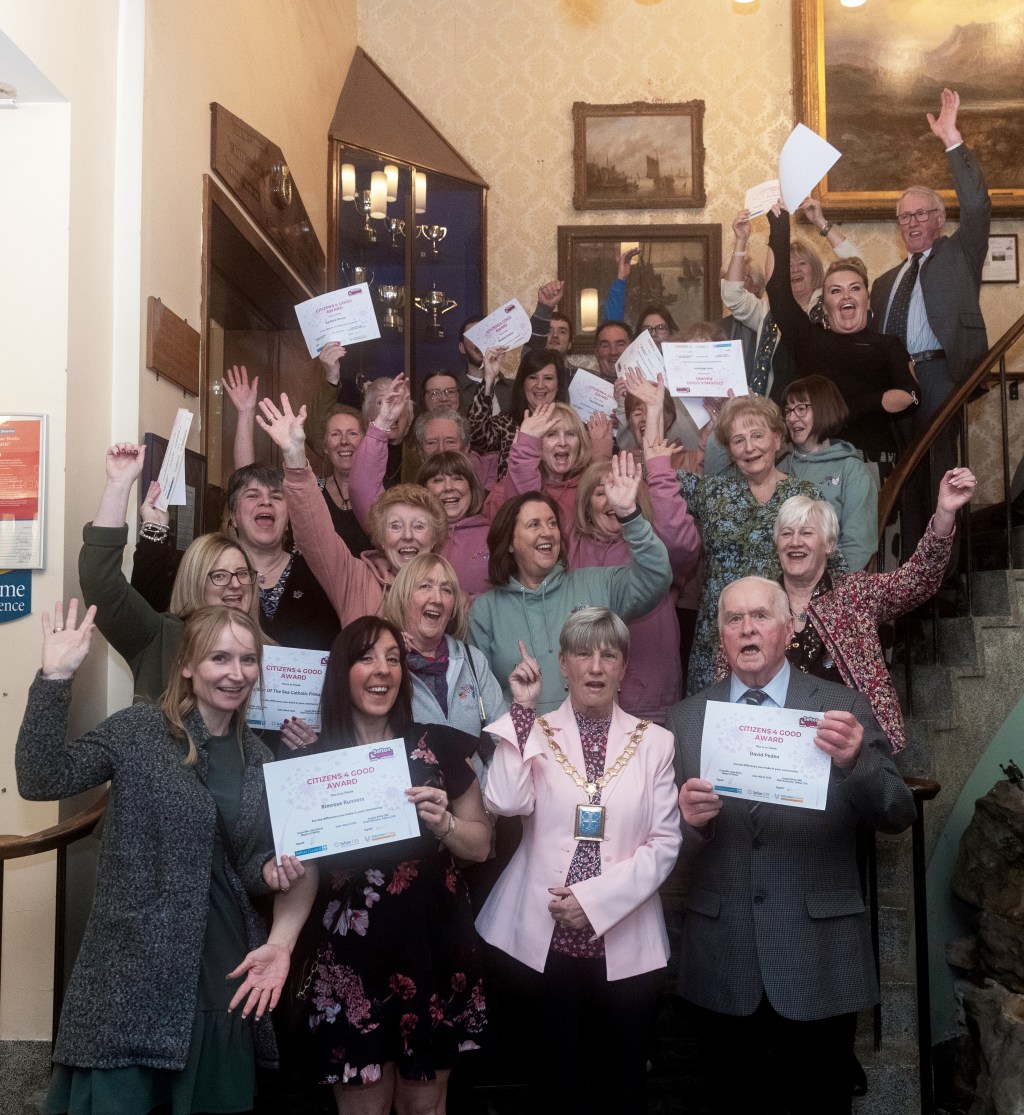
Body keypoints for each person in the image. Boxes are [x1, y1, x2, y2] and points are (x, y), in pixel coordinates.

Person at [17, 601, 315, 1114]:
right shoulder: (140, 730)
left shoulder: (261, 758)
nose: (236, 673)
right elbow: (41, 778)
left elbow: (244, 863)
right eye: (220, 658)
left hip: (222, 966)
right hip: (135, 965)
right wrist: (55, 679)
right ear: (187, 665)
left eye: (247, 660)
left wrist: (268, 872)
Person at [668, 576, 916, 1115]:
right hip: (723, 953)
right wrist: (690, 825)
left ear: (789, 628)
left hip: (819, 953)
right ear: (720, 636)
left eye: (760, 616)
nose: (747, 629)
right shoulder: (686, 718)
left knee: (820, 1104)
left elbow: (898, 813)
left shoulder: (842, 707)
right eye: (734, 619)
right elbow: (663, 845)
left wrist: (856, 762)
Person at [476, 609, 681, 1115]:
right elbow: (504, 801)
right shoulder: (535, 731)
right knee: (555, 1089)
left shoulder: (656, 742)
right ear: (563, 665)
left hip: (626, 941)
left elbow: (664, 844)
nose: (596, 666)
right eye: (583, 654)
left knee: (622, 1090)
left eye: (609, 654)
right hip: (544, 943)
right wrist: (522, 710)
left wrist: (592, 902)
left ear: (623, 667)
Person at [296, 616, 491, 1113]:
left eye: (392, 658)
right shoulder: (313, 762)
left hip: (433, 949)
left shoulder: (439, 745)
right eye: (366, 658)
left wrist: (445, 823)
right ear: (342, 672)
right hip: (349, 960)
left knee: (424, 1107)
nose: (382, 669)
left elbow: (480, 846)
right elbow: (302, 868)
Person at [769, 467, 976, 752]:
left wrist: (944, 513)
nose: (795, 542)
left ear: (829, 545)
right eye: (786, 533)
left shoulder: (855, 593)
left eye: (806, 533)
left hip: (851, 746)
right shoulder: (759, 602)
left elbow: (918, 579)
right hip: (775, 744)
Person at [870, 88, 990, 556]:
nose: (912, 222)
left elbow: (977, 206)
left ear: (940, 218)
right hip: (896, 382)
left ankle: (946, 578)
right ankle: (915, 580)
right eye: (904, 217)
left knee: (940, 475)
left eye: (921, 213)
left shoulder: (959, 255)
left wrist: (951, 140)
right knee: (907, 480)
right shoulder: (885, 282)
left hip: (941, 374)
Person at [468, 454, 672, 714]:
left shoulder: (597, 584)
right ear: (509, 543)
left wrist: (628, 515)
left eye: (552, 523)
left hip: (594, 735)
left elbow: (656, 577)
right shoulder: (485, 611)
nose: (547, 532)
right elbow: (481, 698)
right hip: (523, 737)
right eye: (534, 525)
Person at [80, 443, 263, 701]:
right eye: (219, 576)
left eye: (242, 573)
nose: (235, 585)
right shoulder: (161, 639)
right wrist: (118, 485)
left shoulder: (272, 651)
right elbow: (100, 581)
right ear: (195, 581)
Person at [671, 394, 825, 694]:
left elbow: (830, 564)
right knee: (716, 716)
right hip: (717, 636)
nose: (749, 447)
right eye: (738, 440)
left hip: (781, 635)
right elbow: (656, 475)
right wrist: (653, 409)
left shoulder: (804, 495)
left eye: (757, 435)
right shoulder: (713, 492)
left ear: (777, 439)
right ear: (730, 450)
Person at [258, 393, 448, 626]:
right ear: (381, 538)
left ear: (435, 537)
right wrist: (294, 455)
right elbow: (314, 535)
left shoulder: (448, 590)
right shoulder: (356, 580)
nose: (407, 536)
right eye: (396, 526)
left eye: (418, 526)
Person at [765, 204, 919, 477]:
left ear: (867, 301)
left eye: (855, 288)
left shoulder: (888, 345)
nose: (846, 296)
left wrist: (855, 406)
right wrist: (779, 224)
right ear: (824, 306)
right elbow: (777, 290)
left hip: (872, 462)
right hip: (815, 464)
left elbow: (911, 395)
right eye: (835, 291)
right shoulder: (808, 339)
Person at [568, 447, 700, 723]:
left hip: (649, 697)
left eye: (620, 489)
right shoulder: (570, 546)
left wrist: (658, 470)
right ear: (586, 505)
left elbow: (683, 546)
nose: (613, 498)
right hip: (586, 698)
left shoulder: (653, 542)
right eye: (601, 492)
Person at [704, 375, 878, 573]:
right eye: (788, 411)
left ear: (825, 408)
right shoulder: (775, 461)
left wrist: (826, 585)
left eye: (801, 409)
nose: (792, 418)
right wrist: (726, 420)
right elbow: (719, 484)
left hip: (823, 581)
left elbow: (859, 545)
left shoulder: (851, 470)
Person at [722, 197, 864, 400]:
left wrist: (820, 222)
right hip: (774, 409)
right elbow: (731, 295)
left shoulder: (832, 305)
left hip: (824, 405)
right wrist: (741, 240)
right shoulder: (766, 311)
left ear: (815, 268)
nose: (794, 270)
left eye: (802, 263)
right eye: (787, 265)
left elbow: (856, 267)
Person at [381, 552, 507, 765]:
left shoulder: (473, 660)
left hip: (478, 786)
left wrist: (487, 784)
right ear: (403, 598)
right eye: (425, 586)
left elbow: (502, 740)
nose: (437, 599)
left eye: (446, 590)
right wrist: (391, 656)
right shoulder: (384, 664)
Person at [482, 401, 609, 525]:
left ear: (580, 442)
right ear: (536, 444)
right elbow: (522, 517)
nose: (563, 442)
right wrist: (525, 449)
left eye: (570, 434)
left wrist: (601, 457)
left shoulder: (588, 489)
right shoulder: (505, 489)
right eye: (552, 434)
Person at [467, 346, 570, 479]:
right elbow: (476, 435)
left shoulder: (571, 425)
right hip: (513, 492)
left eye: (548, 378)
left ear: (558, 385)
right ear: (523, 384)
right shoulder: (507, 423)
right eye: (533, 377)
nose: (540, 385)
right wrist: (489, 377)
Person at [457, 316, 513, 415]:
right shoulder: (454, 390)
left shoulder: (515, 387)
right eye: (474, 337)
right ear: (462, 348)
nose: (481, 342)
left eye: (486, 335)